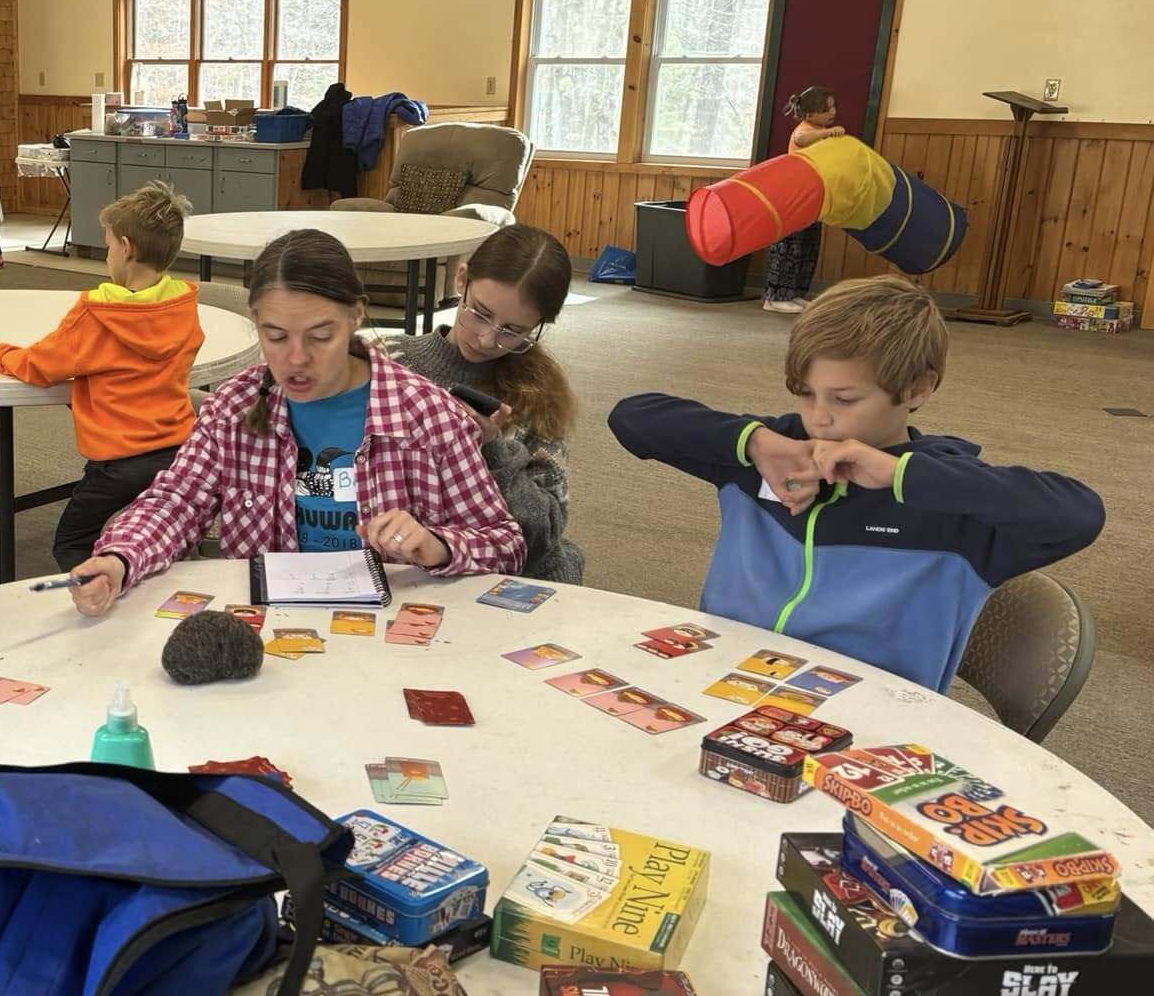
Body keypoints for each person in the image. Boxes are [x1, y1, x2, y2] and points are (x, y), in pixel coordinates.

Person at [608, 274, 1104, 693]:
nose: (818, 418)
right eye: (805, 393)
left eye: (844, 399)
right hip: (722, 683)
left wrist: (899, 475)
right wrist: (754, 441)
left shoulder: (951, 505)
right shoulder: (775, 450)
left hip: (864, 721)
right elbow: (633, 417)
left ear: (917, 388)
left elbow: (1079, 514)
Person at [67, 229, 524, 616]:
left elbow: (505, 545)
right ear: (257, 323)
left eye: (321, 336)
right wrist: (119, 558)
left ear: (356, 316)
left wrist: (437, 545)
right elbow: (177, 503)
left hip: (390, 637)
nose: (297, 359)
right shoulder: (235, 407)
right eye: (276, 336)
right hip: (269, 631)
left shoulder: (428, 415)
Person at [0, 181, 203, 571]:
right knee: (165, 534)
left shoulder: (98, 313)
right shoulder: (182, 303)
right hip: (179, 452)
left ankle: (100, 596)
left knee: (71, 542)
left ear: (126, 248)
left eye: (108, 246)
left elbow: (38, 365)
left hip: (117, 462)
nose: (107, 256)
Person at [384, 223, 584, 583]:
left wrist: (494, 450)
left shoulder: (538, 395)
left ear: (539, 326)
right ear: (461, 280)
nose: (487, 339)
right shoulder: (388, 361)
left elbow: (545, 532)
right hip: (396, 559)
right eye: (480, 312)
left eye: (513, 331)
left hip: (493, 572)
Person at [763, 85, 846, 314]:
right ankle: (775, 297)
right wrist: (827, 133)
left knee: (807, 248)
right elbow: (801, 139)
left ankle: (796, 293)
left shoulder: (820, 131)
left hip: (812, 199)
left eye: (833, 107)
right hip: (795, 200)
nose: (833, 112)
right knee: (790, 247)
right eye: (827, 109)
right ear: (810, 114)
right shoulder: (805, 130)